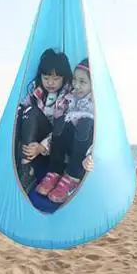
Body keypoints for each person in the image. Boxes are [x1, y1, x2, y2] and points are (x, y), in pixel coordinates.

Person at [35, 58, 95, 204]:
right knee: (61, 119)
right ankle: (54, 172)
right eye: (75, 80)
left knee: (85, 122)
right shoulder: (68, 99)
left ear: (93, 84)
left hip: (84, 154)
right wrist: (44, 146)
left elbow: (102, 136)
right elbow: (57, 130)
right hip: (68, 147)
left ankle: (72, 179)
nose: (76, 85)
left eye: (82, 82)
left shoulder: (96, 106)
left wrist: (93, 156)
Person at [15, 48, 73, 190]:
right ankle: (25, 168)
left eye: (56, 79)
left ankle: (27, 167)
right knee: (26, 111)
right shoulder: (36, 92)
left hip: (56, 148)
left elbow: (64, 130)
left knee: (62, 122)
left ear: (64, 78)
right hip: (34, 145)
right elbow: (24, 110)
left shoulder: (69, 98)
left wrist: (42, 147)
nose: (50, 83)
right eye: (46, 78)